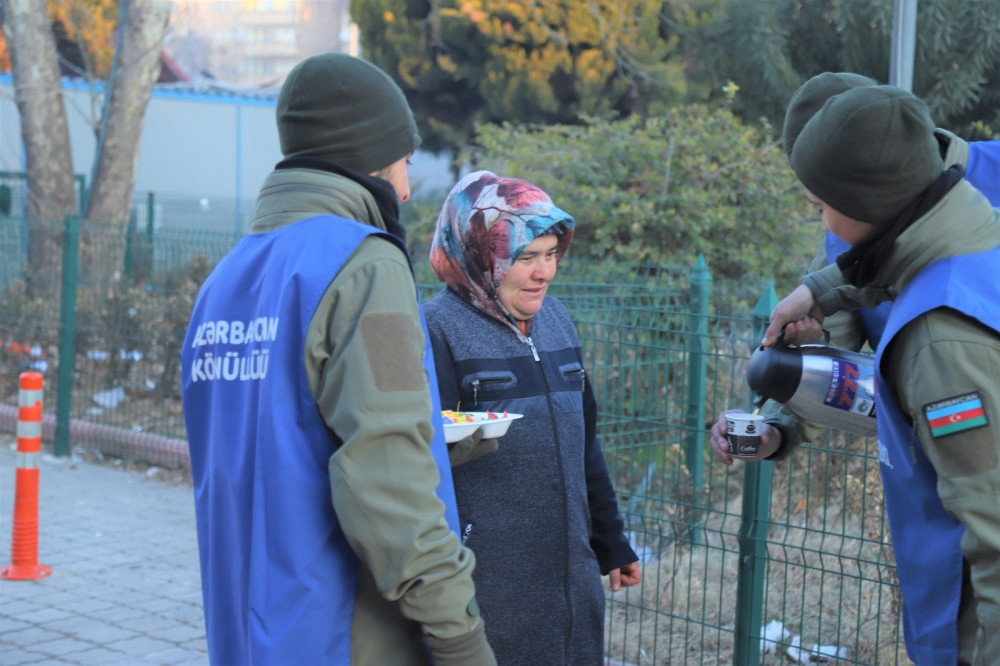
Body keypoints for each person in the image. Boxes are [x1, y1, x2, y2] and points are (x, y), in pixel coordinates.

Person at [180, 53, 496, 665]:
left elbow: (275, 441)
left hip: (247, 634)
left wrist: (437, 442)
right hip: (345, 638)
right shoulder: (365, 266)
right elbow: (387, 473)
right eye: (404, 159)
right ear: (371, 155)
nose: (404, 187)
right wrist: (460, 636)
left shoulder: (225, 281)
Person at [719, 83, 1000, 665]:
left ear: (860, 195)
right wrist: (820, 291)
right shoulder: (963, 223)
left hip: (969, 584)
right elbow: (871, 281)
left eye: (820, 204)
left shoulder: (938, 340)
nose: (821, 223)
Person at [715, 72, 1000, 465]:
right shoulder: (842, 241)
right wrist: (778, 427)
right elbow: (839, 376)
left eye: (823, 202)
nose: (828, 221)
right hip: (930, 484)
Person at [423, 170, 642, 665]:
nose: (544, 273)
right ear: (478, 256)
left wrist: (611, 541)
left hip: (571, 581)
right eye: (525, 258)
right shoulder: (435, 330)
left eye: (550, 255)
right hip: (486, 588)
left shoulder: (558, 321)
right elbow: (418, 466)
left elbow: (585, 445)